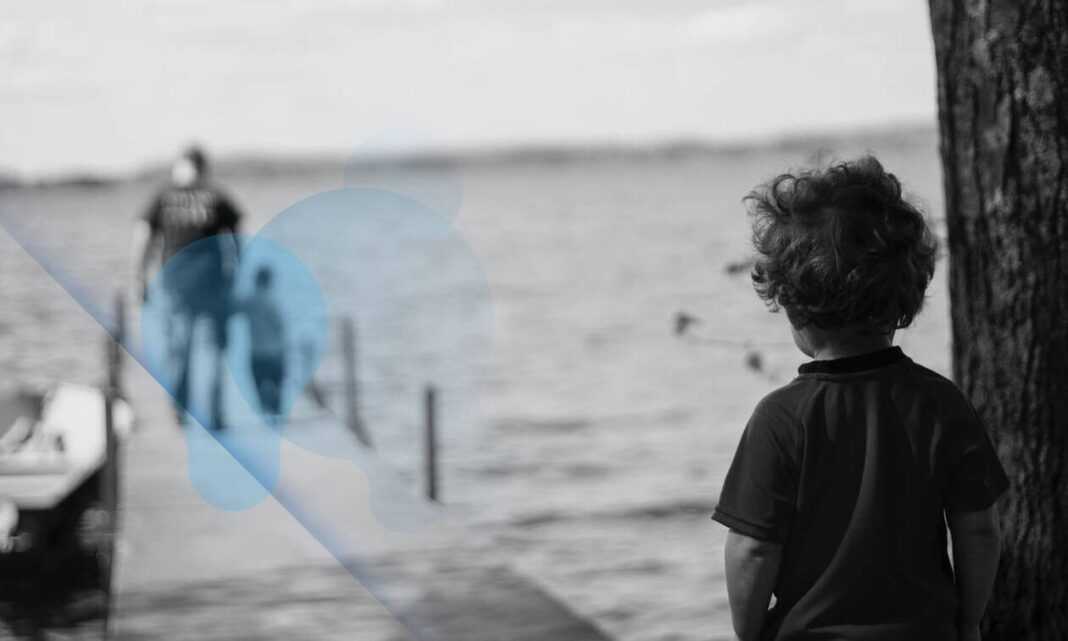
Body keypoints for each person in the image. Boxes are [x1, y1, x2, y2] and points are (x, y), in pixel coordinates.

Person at [711, 156, 1009, 641]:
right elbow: (979, 529)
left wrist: (750, 634)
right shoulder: (941, 404)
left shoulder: (780, 419)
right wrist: (969, 622)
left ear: (792, 303)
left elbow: (752, 550)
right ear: (905, 295)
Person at [132, 146, 242, 429]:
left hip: (175, 286)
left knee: (180, 349)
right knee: (215, 349)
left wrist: (139, 277)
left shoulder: (163, 197)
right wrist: (238, 278)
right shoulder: (217, 197)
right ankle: (215, 416)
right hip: (213, 283)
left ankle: (179, 410)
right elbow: (236, 241)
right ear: (203, 168)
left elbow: (143, 237)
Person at [233, 266, 287, 424]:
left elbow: (234, 307)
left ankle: (265, 408)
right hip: (275, 352)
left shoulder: (249, 300)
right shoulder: (273, 302)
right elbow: (280, 326)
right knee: (277, 384)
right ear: (269, 281)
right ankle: (276, 413)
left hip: (256, 353)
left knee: (259, 383)